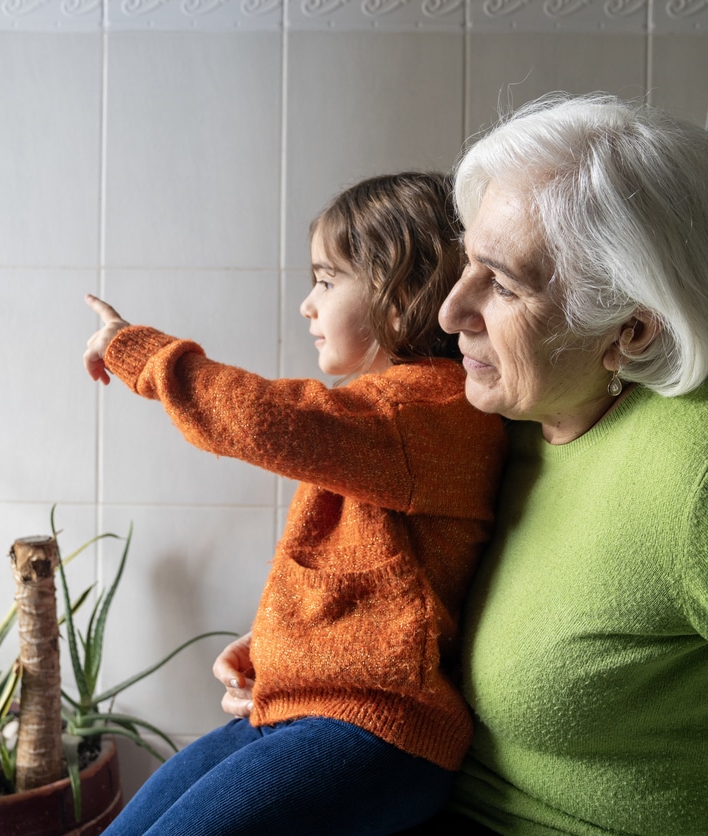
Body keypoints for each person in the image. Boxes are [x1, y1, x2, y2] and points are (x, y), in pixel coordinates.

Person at [216, 93, 708, 835]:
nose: (451, 311)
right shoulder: (516, 416)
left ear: (633, 329)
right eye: (467, 265)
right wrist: (312, 648)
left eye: (505, 284)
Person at [82, 172, 509, 835]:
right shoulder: (389, 421)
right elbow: (378, 583)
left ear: (400, 296)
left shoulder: (431, 411)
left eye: (326, 280)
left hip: (377, 736)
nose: (307, 305)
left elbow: (263, 419)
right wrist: (279, 647)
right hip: (310, 714)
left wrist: (136, 351)